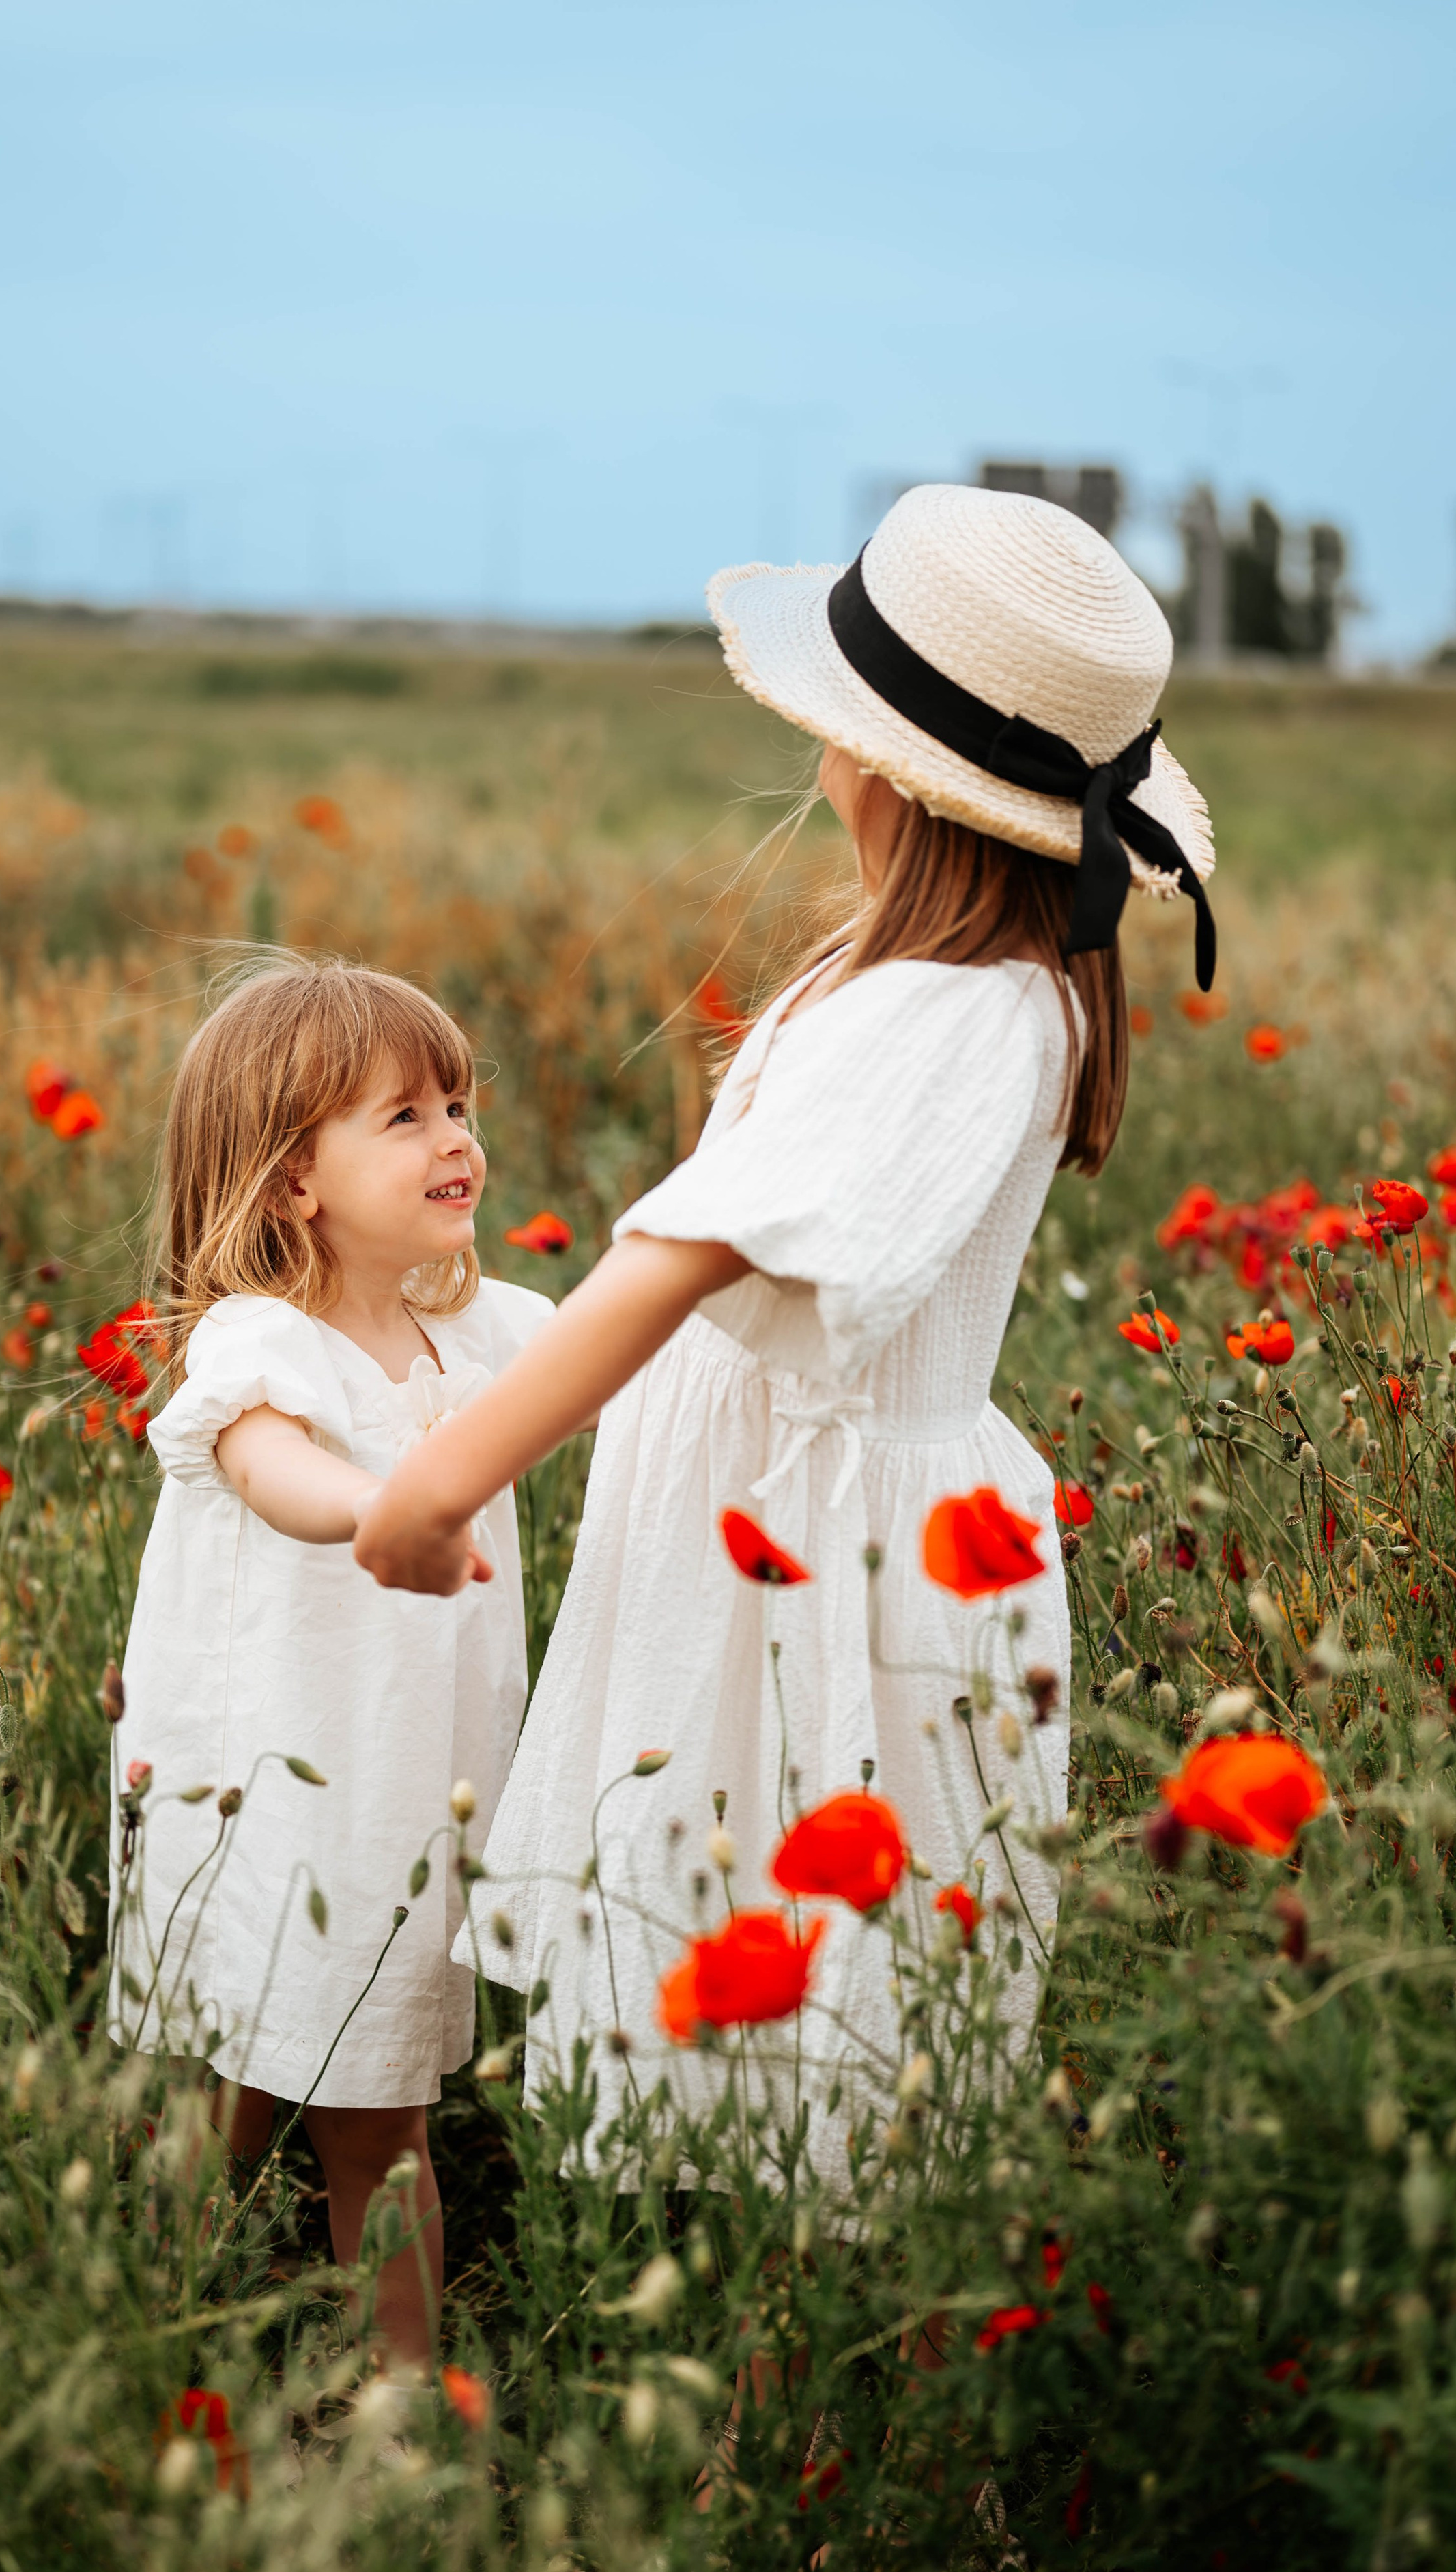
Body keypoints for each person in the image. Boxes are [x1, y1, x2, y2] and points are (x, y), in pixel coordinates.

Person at [353, 482, 1217, 2187]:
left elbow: (683, 1256)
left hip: (824, 1555)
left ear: (877, 771)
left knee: (828, 2021)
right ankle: (774, 2390)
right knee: (771, 1980)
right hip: (810, 1518)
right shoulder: (972, 980)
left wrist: (439, 1483)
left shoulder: (940, 1012)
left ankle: (796, 2410)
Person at [107, 958, 552, 2366]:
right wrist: (383, 1509)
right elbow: (273, 1469)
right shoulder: (259, 1342)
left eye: (458, 1105)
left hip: (407, 1800)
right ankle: (174, 2340)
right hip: (281, 1796)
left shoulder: (471, 1327)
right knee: (242, 2087)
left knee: (382, 2107)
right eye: (405, 1116)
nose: (455, 1139)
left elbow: (623, 1363)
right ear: (294, 1180)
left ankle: (401, 2412)